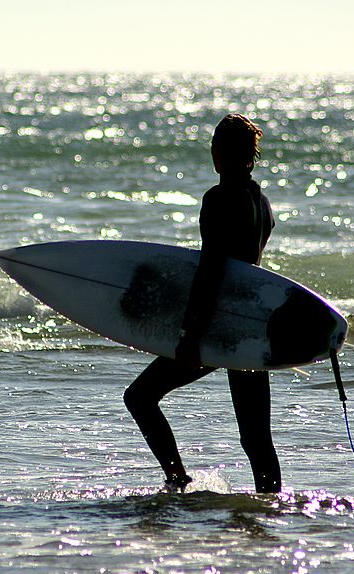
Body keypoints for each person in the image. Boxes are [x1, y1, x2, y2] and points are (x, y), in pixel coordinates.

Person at [123, 113, 280, 494]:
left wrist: (190, 334)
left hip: (218, 328)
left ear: (219, 154)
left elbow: (211, 271)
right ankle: (272, 504)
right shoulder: (261, 202)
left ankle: (177, 480)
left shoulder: (219, 198)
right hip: (249, 326)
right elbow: (246, 271)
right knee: (256, 437)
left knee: (140, 397)